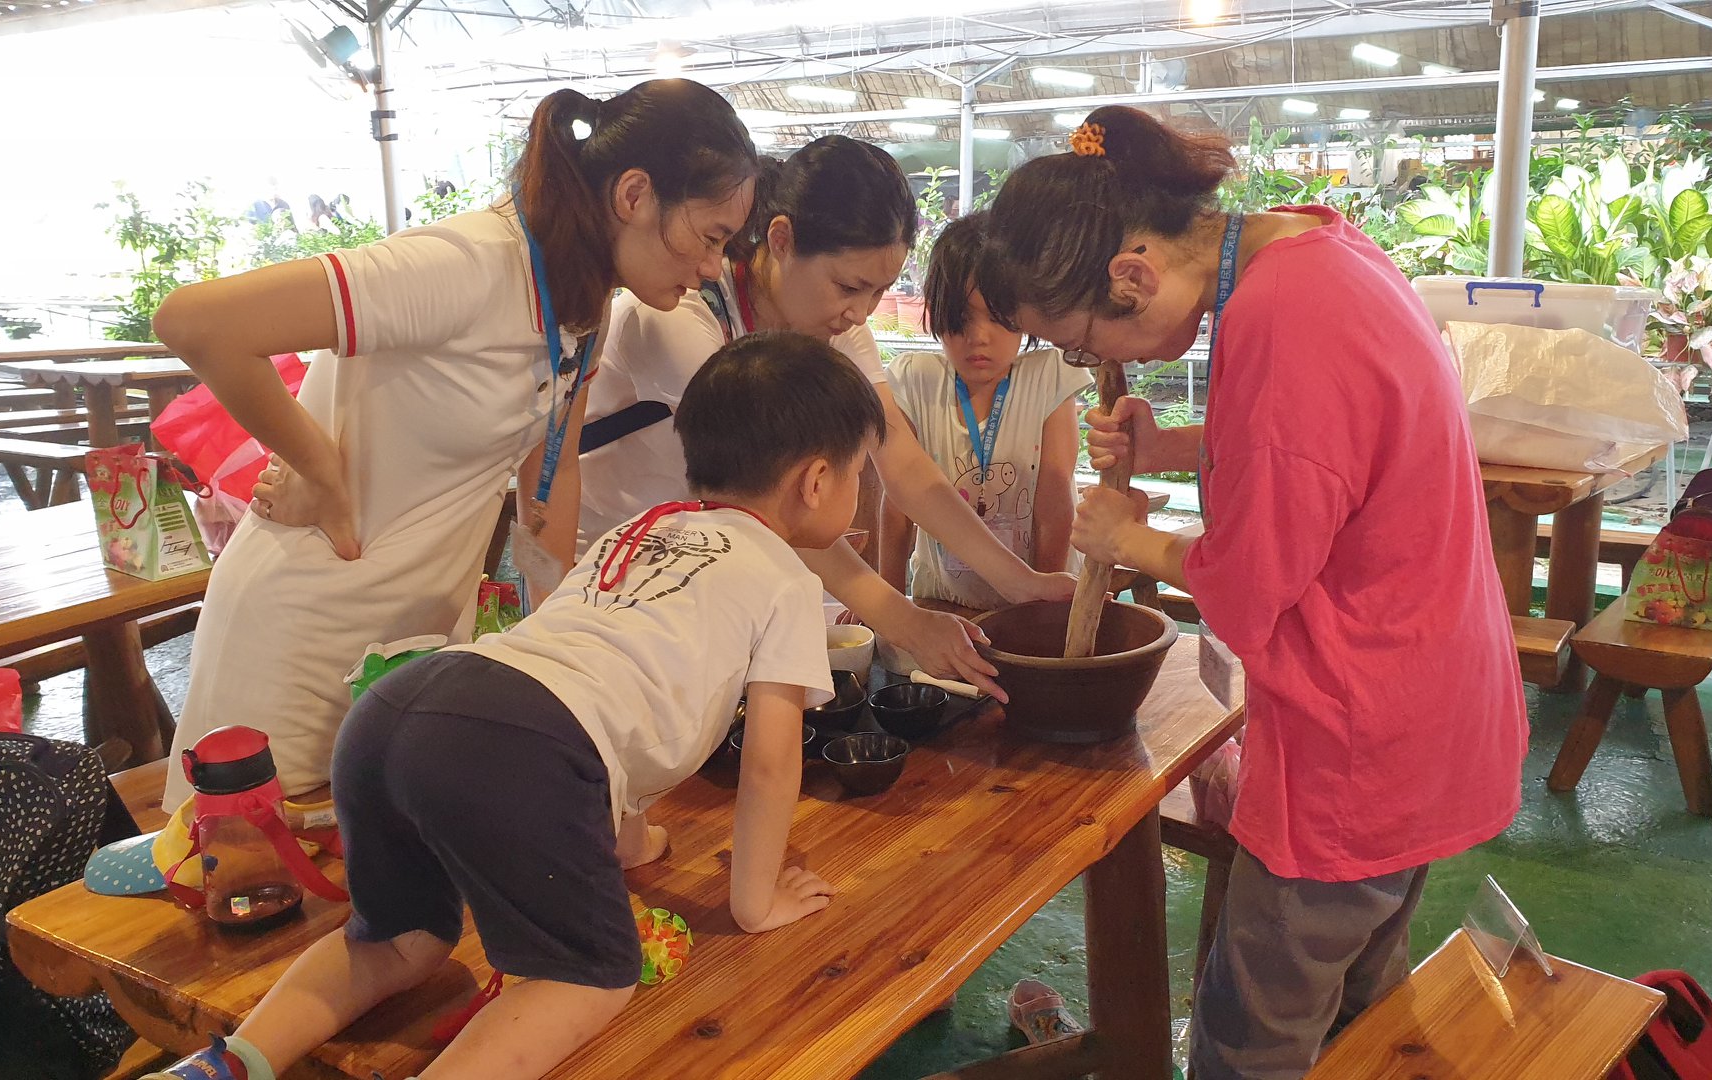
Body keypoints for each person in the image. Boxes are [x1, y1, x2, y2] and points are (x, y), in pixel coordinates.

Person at [145, 331, 869, 1080]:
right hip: (517, 748)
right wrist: (755, 901)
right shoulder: (784, 576)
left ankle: (227, 1067)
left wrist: (629, 843)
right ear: (816, 481)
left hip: (402, 706)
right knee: (590, 975)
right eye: (857, 474)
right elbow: (772, 759)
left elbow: (604, 684)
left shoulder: (640, 530)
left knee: (399, 938)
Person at [979, 107, 1527, 1079]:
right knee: (1357, 1004)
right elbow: (1326, 452)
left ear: (1134, 273)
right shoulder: (1312, 249)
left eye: (1082, 340)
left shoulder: (1281, 316)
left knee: (1255, 1036)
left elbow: (1246, 590)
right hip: (1432, 703)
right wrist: (1169, 450)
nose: (1107, 364)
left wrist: (1131, 537)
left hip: (1360, 734)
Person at [151, 80, 760, 811]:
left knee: (392, 898)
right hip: (305, 632)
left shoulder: (582, 301)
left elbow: (553, 466)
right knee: (263, 883)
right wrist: (317, 466)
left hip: (414, 648)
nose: (712, 269)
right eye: (711, 237)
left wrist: (555, 632)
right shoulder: (467, 262)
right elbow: (196, 322)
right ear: (634, 194)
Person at [580, 134, 1071, 698]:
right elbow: (774, 501)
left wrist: (1020, 581)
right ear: (782, 239)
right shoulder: (684, 318)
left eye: (879, 291)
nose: (860, 312)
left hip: (718, 561)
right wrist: (907, 621)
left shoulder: (834, 322)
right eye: (849, 286)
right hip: (621, 568)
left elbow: (904, 466)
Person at [879, 213, 1089, 611]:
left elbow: (1054, 507)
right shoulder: (914, 379)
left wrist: (1039, 612)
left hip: (1036, 598)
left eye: (997, 317)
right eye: (960, 319)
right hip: (943, 599)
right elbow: (898, 506)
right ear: (938, 313)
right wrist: (888, 607)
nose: (978, 337)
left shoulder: (1049, 376)